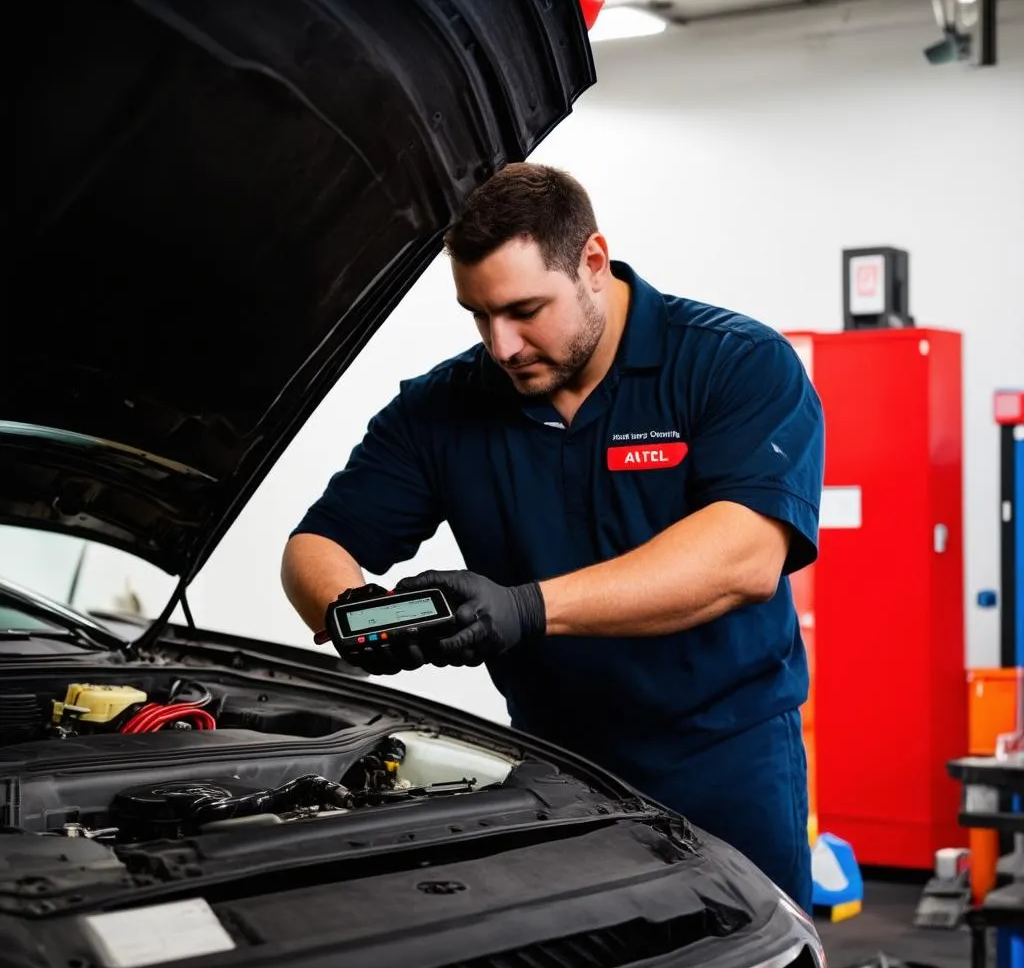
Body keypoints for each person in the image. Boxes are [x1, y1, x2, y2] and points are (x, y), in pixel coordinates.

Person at [281, 162, 825, 911]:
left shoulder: (733, 364)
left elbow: (743, 558)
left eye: (525, 309)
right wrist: (353, 614)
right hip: (554, 763)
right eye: (479, 315)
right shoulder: (443, 408)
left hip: (724, 759)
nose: (502, 345)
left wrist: (523, 609)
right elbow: (316, 543)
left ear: (593, 263)